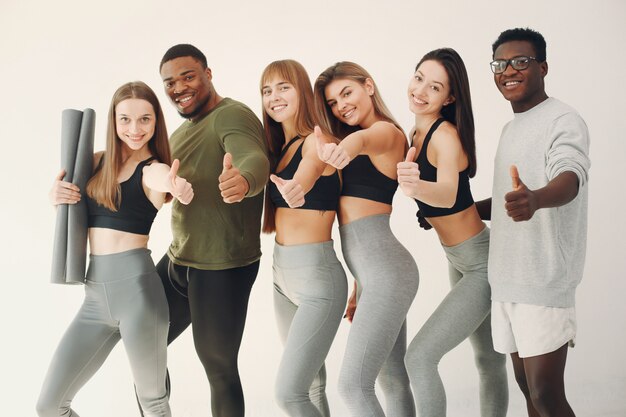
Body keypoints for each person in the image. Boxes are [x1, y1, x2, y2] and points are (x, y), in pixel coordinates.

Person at [37, 81, 194, 417]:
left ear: (156, 123)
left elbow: (165, 180)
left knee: (152, 402)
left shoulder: (153, 169)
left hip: (139, 297)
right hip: (94, 299)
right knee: (50, 406)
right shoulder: (94, 164)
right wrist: (56, 198)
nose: (135, 129)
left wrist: (176, 186)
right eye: (125, 119)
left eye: (145, 120)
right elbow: (75, 213)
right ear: (113, 121)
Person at [157, 44, 269, 417]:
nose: (179, 88)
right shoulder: (181, 133)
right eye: (169, 82)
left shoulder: (230, 115)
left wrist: (245, 180)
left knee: (219, 369)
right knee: (144, 347)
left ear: (208, 73)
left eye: (188, 76)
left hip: (221, 268)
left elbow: (252, 156)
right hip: (178, 260)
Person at [483, 28, 590, 417]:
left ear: (543, 67)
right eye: (500, 63)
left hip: (543, 280)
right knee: (527, 390)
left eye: (521, 61)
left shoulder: (563, 119)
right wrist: (456, 210)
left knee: (546, 395)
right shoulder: (510, 128)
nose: (508, 70)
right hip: (506, 280)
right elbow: (508, 201)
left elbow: (570, 176)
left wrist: (537, 199)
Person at [396, 48, 508, 417]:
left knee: (420, 357)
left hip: (479, 263)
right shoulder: (415, 131)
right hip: (458, 258)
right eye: (418, 78)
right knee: (488, 359)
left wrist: (415, 190)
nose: (421, 90)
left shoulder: (445, 136)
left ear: (451, 97)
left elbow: (445, 191)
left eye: (435, 86)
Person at [313, 61, 418, 417]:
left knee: (352, 387)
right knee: (393, 379)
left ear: (368, 86)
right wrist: (361, 285)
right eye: (332, 102)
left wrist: (349, 145)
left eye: (347, 93)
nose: (341, 105)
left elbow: (365, 139)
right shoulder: (354, 137)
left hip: (388, 272)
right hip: (377, 274)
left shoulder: (387, 133)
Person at [260, 59, 347, 417]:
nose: (274, 97)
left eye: (283, 87)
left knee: (288, 394)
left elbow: (308, 172)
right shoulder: (279, 147)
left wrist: (296, 189)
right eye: (267, 90)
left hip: (317, 278)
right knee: (311, 386)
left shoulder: (317, 140)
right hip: (282, 276)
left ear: (302, 91)